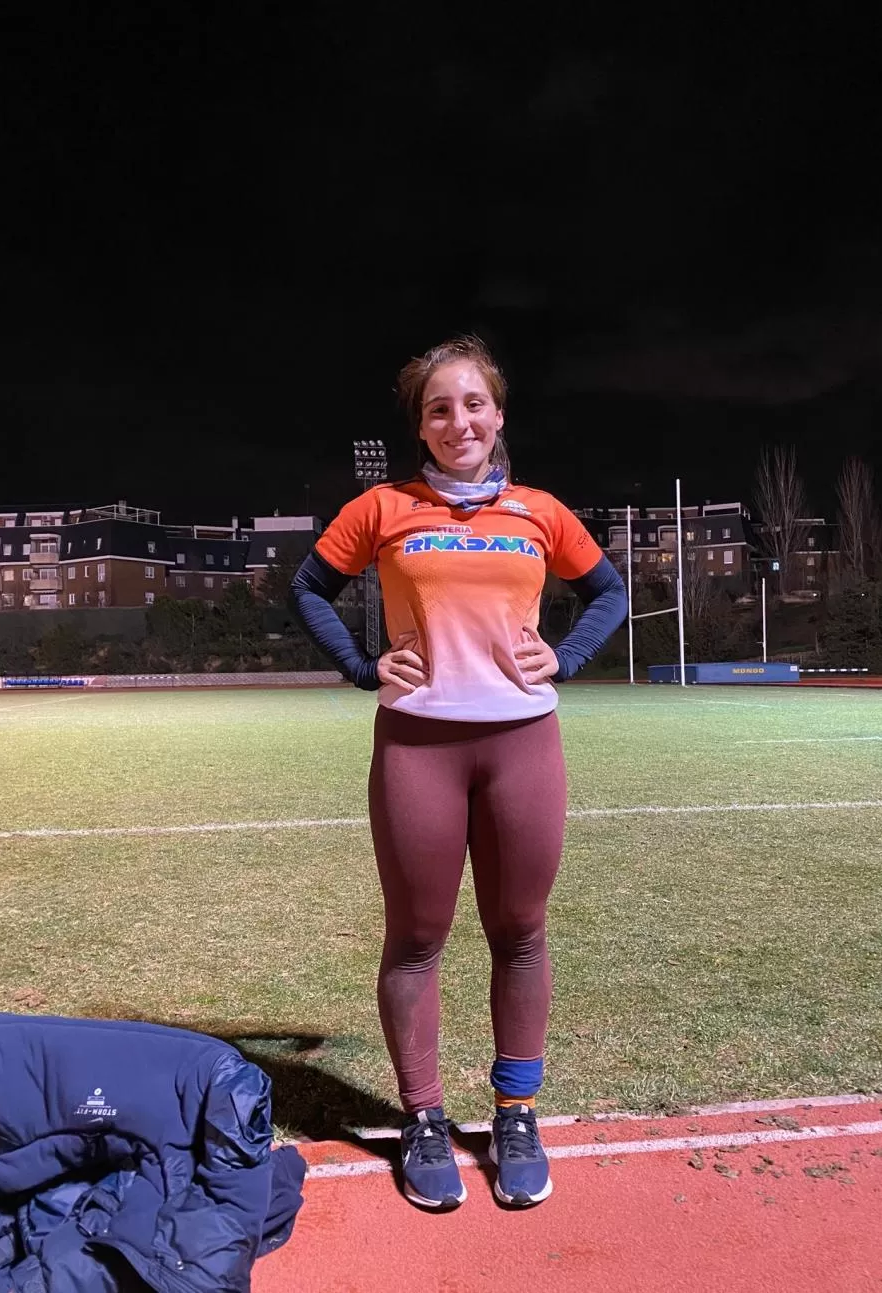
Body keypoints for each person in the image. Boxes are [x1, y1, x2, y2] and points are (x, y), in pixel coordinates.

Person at [289, 336, 627, 1210]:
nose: (459, 421)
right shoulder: (383, 507)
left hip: (523, 743)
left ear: (498, 413)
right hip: (417, 745)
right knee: (417, 936)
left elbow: (610, 592)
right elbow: (307, 586)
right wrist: (365, 666)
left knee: (521, 930)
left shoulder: (540, 512)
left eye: (473, 403)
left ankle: (516, 1110)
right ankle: (425, 1116)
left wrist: (570, 655)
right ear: (423, 426)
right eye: (440, 408)